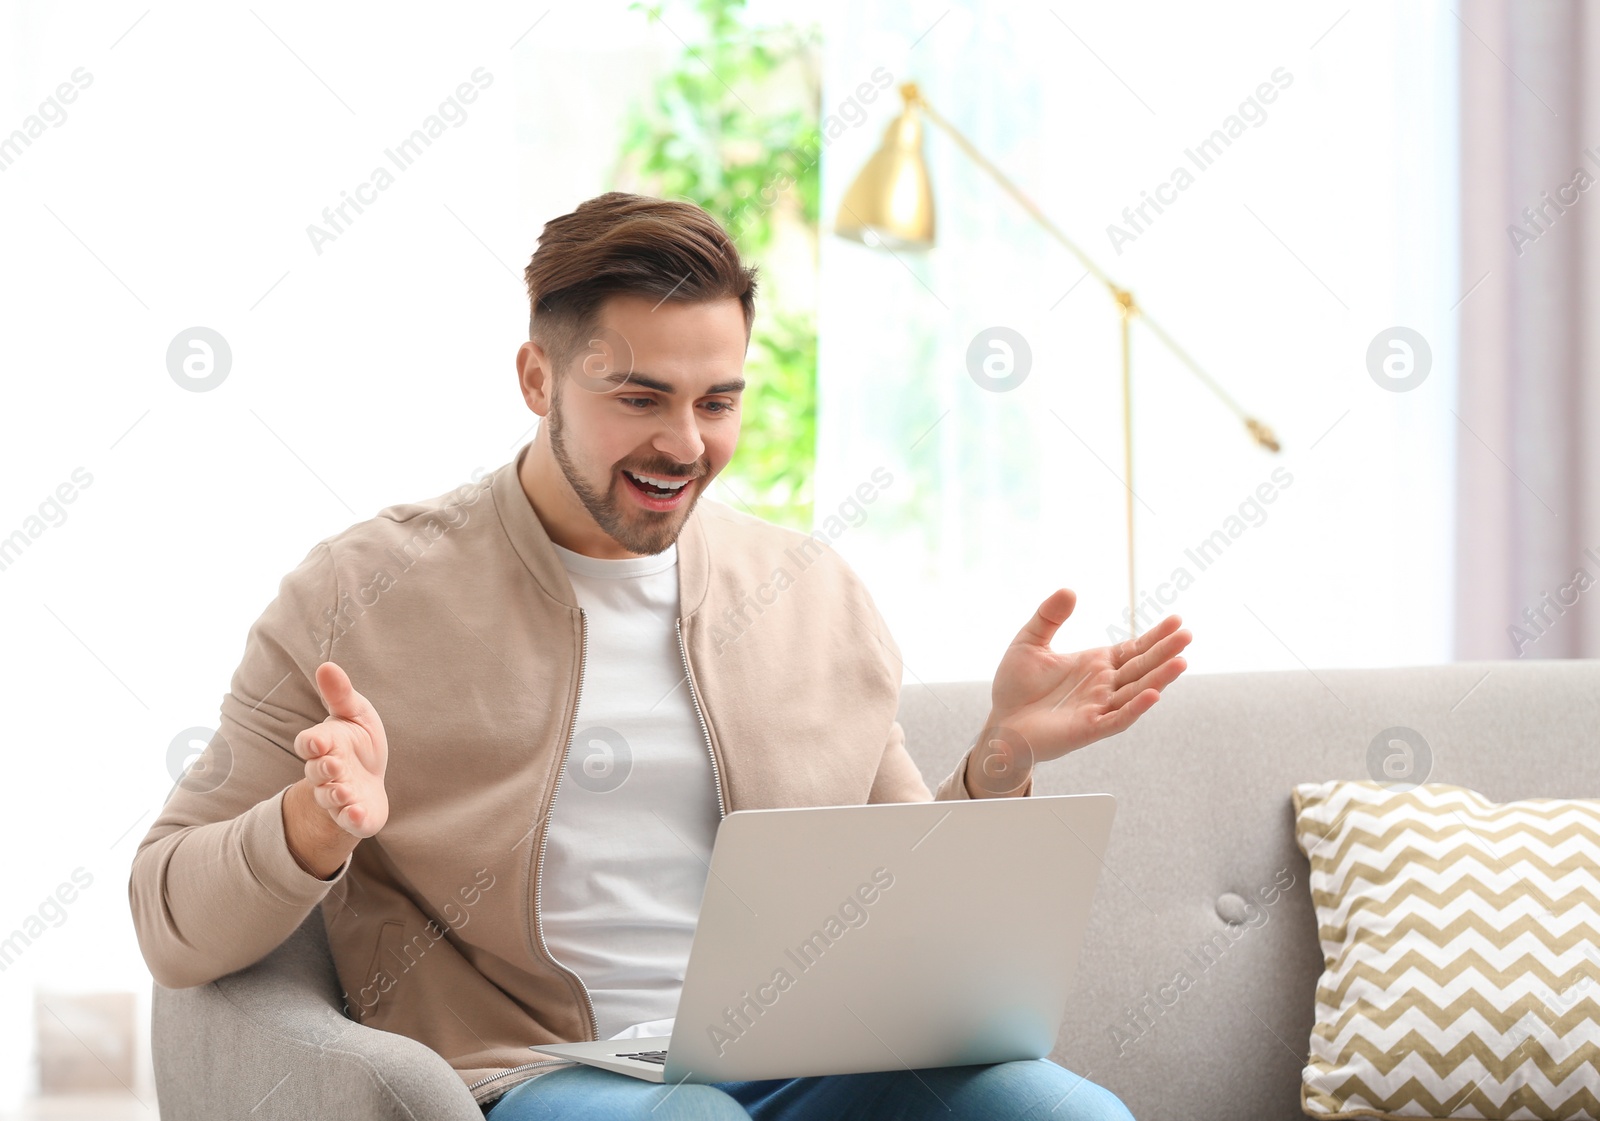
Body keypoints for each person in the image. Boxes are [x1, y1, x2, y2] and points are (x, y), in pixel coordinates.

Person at [128, 191, 1189, 1120]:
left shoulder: (809, 588)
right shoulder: (358, 594)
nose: (685, 443)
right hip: (545, 1072)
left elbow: (897, 906)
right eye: (638, 397)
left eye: (716, 400)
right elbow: (167, 919)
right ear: (537, 378)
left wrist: (997, 764)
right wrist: (309, 828)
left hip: (811, 1063)